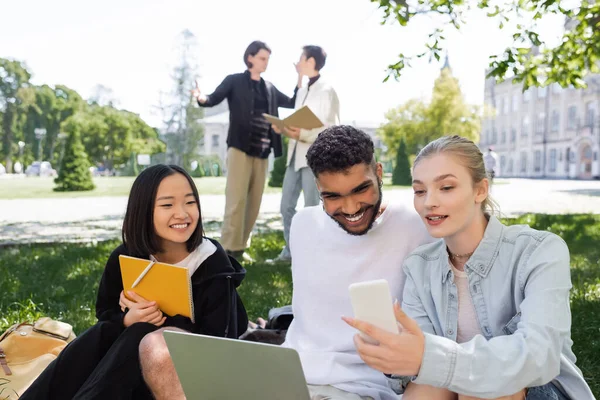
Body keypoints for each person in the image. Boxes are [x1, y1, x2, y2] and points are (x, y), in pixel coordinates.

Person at [343, 135, 594, 400]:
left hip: (538, 388)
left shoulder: (539, 250)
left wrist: (428, 358)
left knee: (482, 389)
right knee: (429, 386)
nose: (429, 202)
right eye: (419, 191)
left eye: (446, 187)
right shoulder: (419, 266)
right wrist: (395, 356)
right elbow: (421, 364)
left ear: (480, 190)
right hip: (456, 389)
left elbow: (539, 357)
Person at [21, 164, 248, 400]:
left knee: (144, 331)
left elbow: (221, 341)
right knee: (98, 335)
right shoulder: (128, 256)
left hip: (183, 372)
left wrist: (157, 320)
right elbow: (105, 312)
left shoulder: (213, 264)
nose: (182, 213)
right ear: (143, 210)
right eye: (167, 205)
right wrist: (127, 318)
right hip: (126, 362)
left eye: (190, 202)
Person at [192, 40, 300, 261]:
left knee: (254, 202)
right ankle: (227, 249)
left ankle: (240, 248)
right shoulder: (234, 81)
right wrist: (200, 97)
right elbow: (212, 99)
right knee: (236, 199)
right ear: (250, 57)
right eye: (262, 58)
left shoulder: (269, 87)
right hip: (240, 148)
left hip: (262, 151)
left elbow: (291, 101)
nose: (266, 62)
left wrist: (299, 77)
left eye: (268, 59)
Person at [270, 45, 340, 262]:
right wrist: (284, 128)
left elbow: (330, 127)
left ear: (311, 61)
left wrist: (303, 134)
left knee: (312, 208)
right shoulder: (301, 91)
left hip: (314, 158)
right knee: (286, 206)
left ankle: (314, 253)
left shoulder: (327, 90)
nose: (298, 62)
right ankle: (291, 251)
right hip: (294, 157)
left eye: (301, 58)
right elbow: (298, 122)